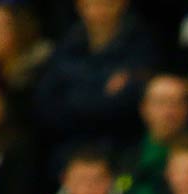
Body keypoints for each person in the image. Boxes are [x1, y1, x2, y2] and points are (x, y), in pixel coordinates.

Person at [32, 0, 158, 154]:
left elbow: (127, 99)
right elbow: (47, 97)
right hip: (68, 140)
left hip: (122, 142)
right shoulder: (68, 44)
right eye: (91, 4)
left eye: (107, 4)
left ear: (122, 4)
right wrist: (102, 89)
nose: (99, 11)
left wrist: (77, 92)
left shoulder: (141, 43)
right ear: (79, 6)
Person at [115, 73, 188, 194]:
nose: (169, 112)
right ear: (144, 108)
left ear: (187, 110)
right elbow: (121, 185)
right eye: (161, 103)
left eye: (177, 103)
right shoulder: (127, 152)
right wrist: (130, 189)